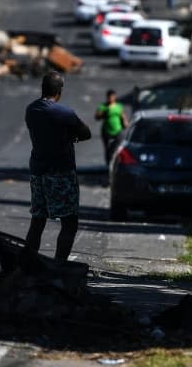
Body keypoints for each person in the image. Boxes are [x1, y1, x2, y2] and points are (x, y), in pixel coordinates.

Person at [22, 72, 91, 266]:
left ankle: (28, 265)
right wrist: (70, 137)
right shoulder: (63, 113)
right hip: (60, 172)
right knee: (69, 222)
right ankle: (59, 266)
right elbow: (86, 133)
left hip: (37, 171)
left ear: (42, 89)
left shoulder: (31, 109)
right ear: (59, 91)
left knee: (38, 219)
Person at [95, 89, 129, 167]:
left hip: (118, 130)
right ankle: (108, 164)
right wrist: (105, 111)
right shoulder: (103, 106)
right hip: (106, 130)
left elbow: (123, 116)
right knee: (107, 149)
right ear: (107, 97)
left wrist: (125, 122)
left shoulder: (118, 106)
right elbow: (97, 117)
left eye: (112, 97)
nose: (111, 98)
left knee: (118, 147)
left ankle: (117, 163)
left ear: (115, 97)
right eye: (109, 97)